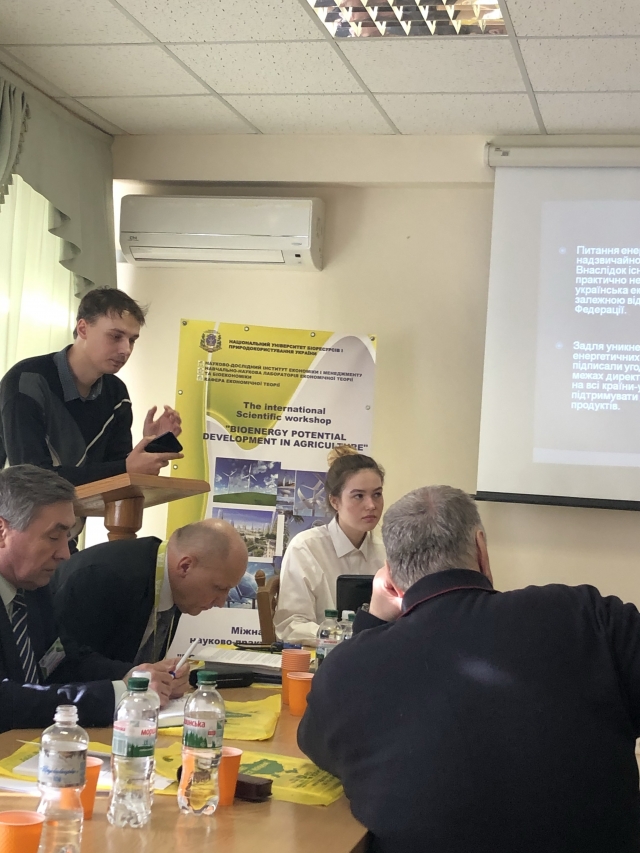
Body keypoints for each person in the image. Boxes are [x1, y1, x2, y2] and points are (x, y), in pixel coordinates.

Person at [298, 485, 640, 853]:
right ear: (481, 549)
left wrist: (373, 625)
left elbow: (322, 748)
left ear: (391, 579)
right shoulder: (590, 616)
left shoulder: (348, 669)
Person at [0, 465, 186, 733]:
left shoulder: (33, 587)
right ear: (2, 531)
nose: (65, 554)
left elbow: (62, 661)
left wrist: (133, 676)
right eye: (53, 537)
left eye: (67, 538)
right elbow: (7, 701)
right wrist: (119, 694)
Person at [0, 287, 183, 485]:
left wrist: (150, 446)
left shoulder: (117, 393)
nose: (126, 349)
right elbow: (30, 479)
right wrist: (124, 467)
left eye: (132, 340)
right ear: (83, 329)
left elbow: (113, 470)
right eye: (116, 336)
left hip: (78, 506)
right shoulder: (27, 380)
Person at [52, 519, 248, 666]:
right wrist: (136, 677)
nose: (220, 602)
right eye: (219, 588)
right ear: (185, 566)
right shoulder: (103, 576)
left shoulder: (176, 587)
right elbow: (66, 665)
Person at [274, 446, 386, 643]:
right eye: (358, 496)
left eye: (377, 494)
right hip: (325, 655)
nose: (371, 505)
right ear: (335, 501)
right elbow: (291, 626)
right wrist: (342, 637)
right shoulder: (305, 548)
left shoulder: (387, 552)